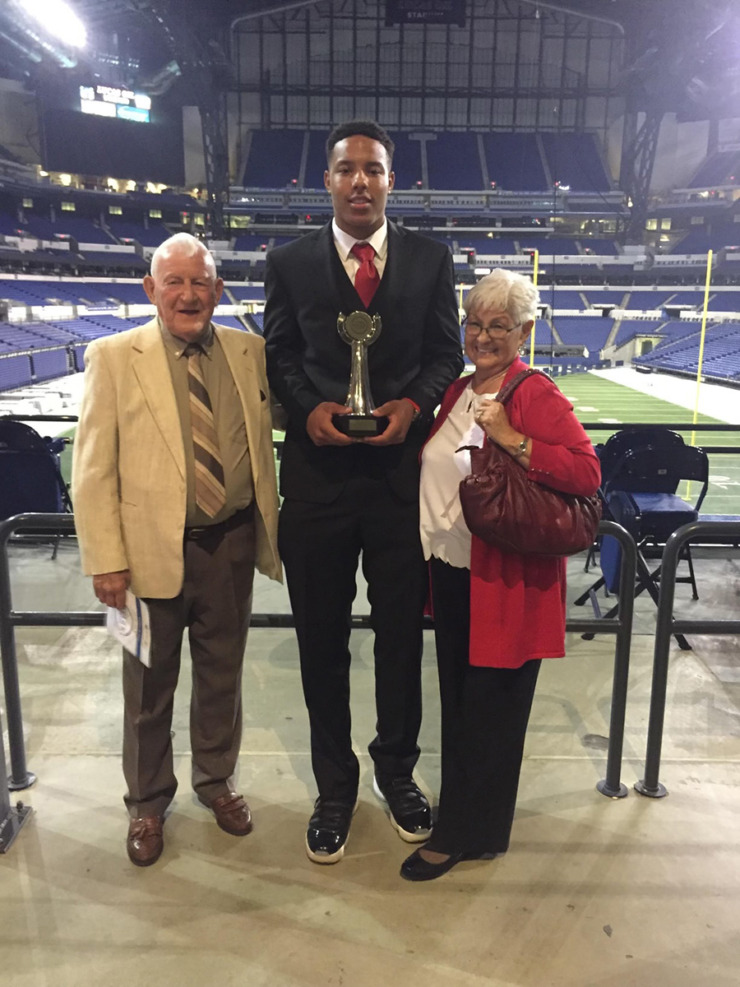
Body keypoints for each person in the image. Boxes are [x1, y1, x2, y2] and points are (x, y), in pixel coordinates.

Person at [263, 120, 463, 864]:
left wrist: (411, 407)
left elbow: (446, 351)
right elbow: (280, 351)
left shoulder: (431, 260)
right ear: (327, 181)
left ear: (390, 181)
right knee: (320, 641)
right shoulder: (287, 262)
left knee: (401, 639)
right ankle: (334, 785)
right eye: (345, 168)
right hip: (315, 483)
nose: (358, 181)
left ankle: (397, 771)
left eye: (372, 169)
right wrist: (303, 407)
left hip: (396, 480)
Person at [72, 232, 281, 867]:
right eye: (175, 282)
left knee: (222, 677)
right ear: (151, 290)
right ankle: (146, 802)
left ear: (219, 290)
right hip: (140, 558)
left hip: (231, 544)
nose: (188, 294)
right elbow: (92, 469)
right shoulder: (113, 356)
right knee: (146, 685)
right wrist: (105, 560)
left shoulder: (250, 351)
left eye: (200, 282)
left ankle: (216, 782)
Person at [401, 268, 600, 881]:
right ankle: (481, 828)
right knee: (464, 707)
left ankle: (457, 833)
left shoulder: (533, 393)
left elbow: (587, 474)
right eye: (474, 323)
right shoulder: (458, 390)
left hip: (504, 582)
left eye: (498, 325)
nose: (483, 336)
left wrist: (512, 437)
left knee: (489, 711)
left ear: (525, 331)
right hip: (456, 575)